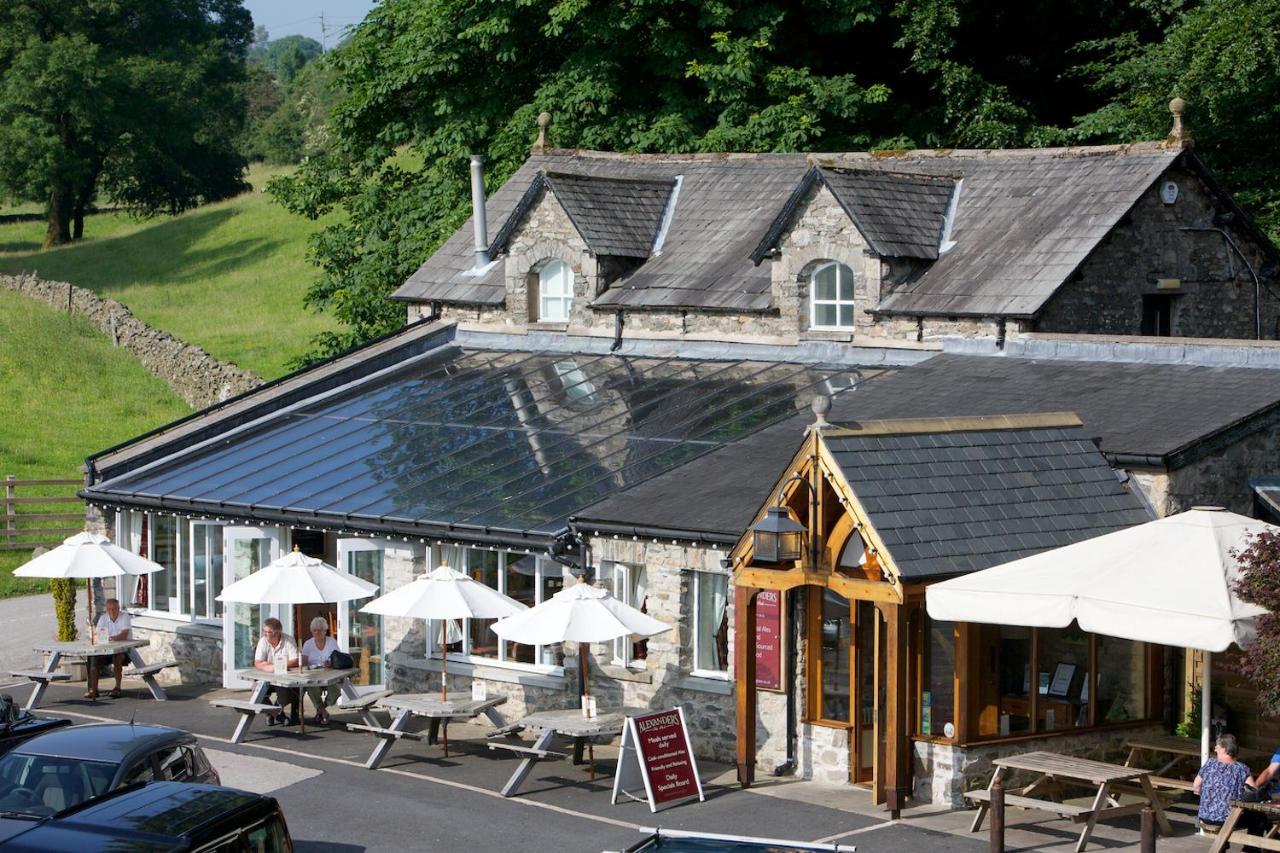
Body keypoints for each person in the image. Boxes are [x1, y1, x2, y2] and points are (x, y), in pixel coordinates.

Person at [1195, 734, 1252, 831]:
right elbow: (1253, 791)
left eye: (1217, 747)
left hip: (1205, 817)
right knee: (1259, 818)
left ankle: (1224, 844)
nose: (1215, 749)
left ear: (1225, 749)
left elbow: (1196, 786)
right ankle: (1251, 846)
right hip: (1229, 819)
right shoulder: (1242, 769)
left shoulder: (1209, 764)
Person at [253, 617, 299, 726]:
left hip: (283, 678)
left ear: (278, 632)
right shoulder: (263, 641)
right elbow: (257, 662)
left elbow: (295, 660)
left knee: (287, 694)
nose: (265, 634)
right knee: (255, 690)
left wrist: (278, 666)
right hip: (266, 677)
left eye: (269, 632)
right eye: (264, 631)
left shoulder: (288, 640)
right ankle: (275, 714)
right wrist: (266, 667)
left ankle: (272, 713)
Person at [86, 598, 131, 700]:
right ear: (106, 610)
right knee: (92, 657)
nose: (112, 611)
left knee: (117, 656)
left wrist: (111, 638)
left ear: (118, 608)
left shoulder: (124, 616)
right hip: (106, 650)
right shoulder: (103, 618)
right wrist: (96, 636)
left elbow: (124, 635)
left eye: (114, 609)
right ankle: (93, 689)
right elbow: (97, 635)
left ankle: (117, 688)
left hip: (124, 650)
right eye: (109, 609)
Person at [300, 616, 340, 725]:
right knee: (311, 687)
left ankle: (320, 709)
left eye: (320, 630)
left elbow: (338, 658)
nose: (317, 633)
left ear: (325, 630)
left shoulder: (332, 642)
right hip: (314, 675)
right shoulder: (308, 644)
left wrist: (330, 663)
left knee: (336, 691)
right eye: (314, 630)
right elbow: (303, 663)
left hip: (330, 674)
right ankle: (323, 712)